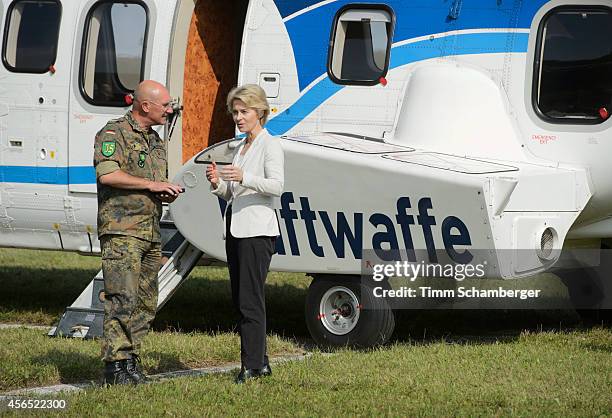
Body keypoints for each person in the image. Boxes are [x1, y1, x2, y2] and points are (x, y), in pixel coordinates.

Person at [93, 80, 184, 385]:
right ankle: (115, 366)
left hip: (150, 232)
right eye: (166, 105)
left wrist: (165, 192)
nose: (170, 110)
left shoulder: (156, 142)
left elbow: (154, 184)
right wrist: (151, 185)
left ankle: (131, 360)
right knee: (122, 298)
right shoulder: (114, 132)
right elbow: (108, 174)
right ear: (146, 106)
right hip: (122, 231)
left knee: (145, 302)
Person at [205, 84, 284, 383]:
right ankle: (260, 361)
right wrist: (217, 183)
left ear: (259, 112)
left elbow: (277, 186)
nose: (238, 117)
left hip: (257, 232)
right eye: (235, 112)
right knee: (241, 298)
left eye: (244, 112)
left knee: (250, 299)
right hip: (236, 229)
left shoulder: (270, 145)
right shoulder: (240, 148)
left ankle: (250, 366)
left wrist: (245, 176)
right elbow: (233, 193)